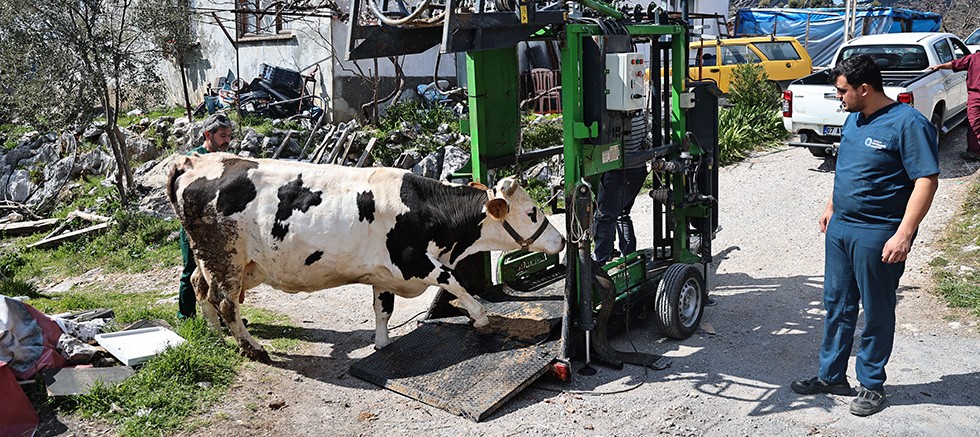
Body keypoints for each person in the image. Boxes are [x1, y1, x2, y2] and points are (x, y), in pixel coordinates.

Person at [791, 55, 940, 417]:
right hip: (841, 228)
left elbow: (926, 179)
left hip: (879, 232)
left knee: (876, 309)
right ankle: (831, 377)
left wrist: (903, 233)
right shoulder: (855, 118)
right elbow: (846, 165)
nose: (838, 96)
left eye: (842, 90)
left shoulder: (908, 123)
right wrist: (831, 205)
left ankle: (871, 385)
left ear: (864, 88)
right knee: (837, 305)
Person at [177, 113, 234, 319]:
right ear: (207, 134)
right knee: (191, 270)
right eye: (222, 136)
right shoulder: (193, 161)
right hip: (194, 225)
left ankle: (222, 315)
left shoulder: (228, 160)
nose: (227, 140)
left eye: (229, 136)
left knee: (219, 271)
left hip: (218, 225)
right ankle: (186, 316)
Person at [593, 113, 650, 265]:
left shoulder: (613, 114)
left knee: (604, 217)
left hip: (619, 171)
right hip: (638, 169)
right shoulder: (638, 111)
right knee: (622, 213)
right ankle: (629, 256)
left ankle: (600, 260)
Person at [930, 50, 980, 161]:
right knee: (974, 124)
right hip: (976, 96)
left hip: (975, 97)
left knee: (974, 124)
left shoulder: (973, 58)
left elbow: (954, 64)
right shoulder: (973, 58)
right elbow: (954, 64)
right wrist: (939, 67)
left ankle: (974, 151)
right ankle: (974, 151)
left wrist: (939, 66)